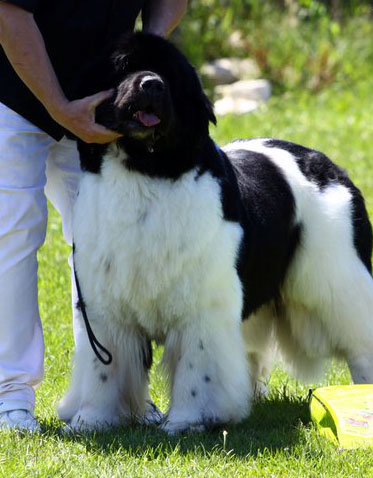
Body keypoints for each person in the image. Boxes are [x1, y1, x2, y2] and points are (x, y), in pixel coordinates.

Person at [0, 0, 187, 432]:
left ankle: (118, 391)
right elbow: (10, 13)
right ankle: (10, 395)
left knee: (112, 243)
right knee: (12, 233)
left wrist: (149, 49)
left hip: (102, 95)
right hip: (11, 89)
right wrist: (59, 106)